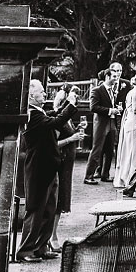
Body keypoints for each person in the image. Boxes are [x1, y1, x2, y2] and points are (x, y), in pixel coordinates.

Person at [14, 80, 80, 263]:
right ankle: (26, 250)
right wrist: (72, 104)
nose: (45, 95)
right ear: (31, 96)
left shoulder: (39, 112)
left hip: (49, 167)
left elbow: (56, 115)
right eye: (42, 92)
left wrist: (67, 105)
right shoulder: (32, 114)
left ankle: (41, 247)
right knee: (36, 210)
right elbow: (57, 121)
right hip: (38, 169)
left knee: (49, 209)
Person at [49, 85, 85, 250]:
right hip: (60, 163)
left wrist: (77, 132)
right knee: (58, 199)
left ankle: (52, 234)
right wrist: (71, 139)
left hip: (67, 164)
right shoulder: (58, 119)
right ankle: (52, 235)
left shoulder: (67, 118)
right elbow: (53, 144)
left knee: (62, 199)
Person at [84, 68, 122, 183]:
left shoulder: (113, 90)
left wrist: (116, 109)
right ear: (107, 77)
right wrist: (111, 110)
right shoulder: (97, 90)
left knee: (110, 150)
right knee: (97, 149)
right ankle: (88, 176)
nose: (117, 78)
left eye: (117, 76)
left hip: (112, 122)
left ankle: (105, 174)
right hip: (101, 123)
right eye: (114, 76)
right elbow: (93, 107)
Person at [113, 73, 136, 189]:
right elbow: (135, 109)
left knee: (129, 151)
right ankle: (130, 179)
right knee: (133, 152)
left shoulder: (130, 92)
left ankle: (126, 177)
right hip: (133, 124)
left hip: (129, 123)